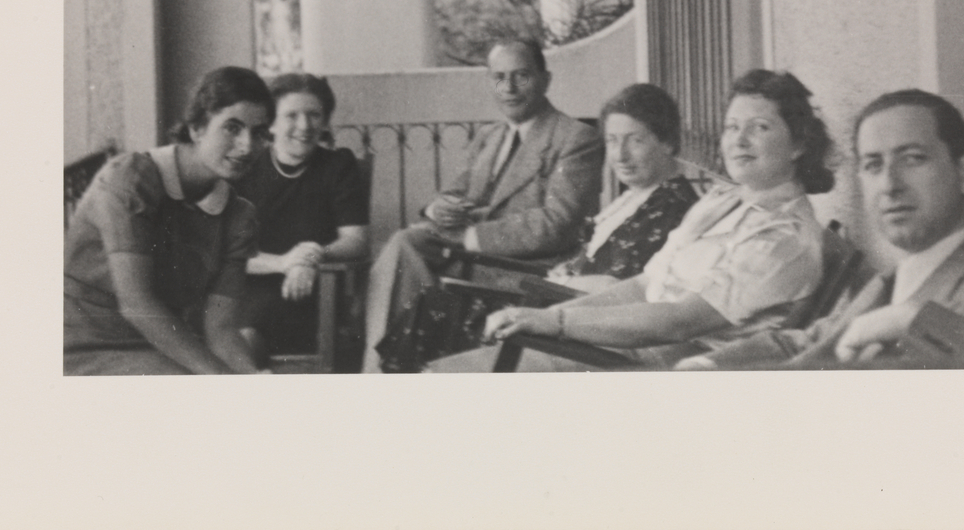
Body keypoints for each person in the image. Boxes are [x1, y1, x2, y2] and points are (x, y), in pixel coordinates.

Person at [430, 69, 834, 372]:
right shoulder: (725, 201)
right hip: (626, 343)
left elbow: (680, 321)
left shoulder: (784, 237)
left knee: (451, 380)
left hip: (655, 368)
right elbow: (644, 284)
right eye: (731, 127)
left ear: (798, 143)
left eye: (759, 127)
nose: (738, 140)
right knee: (450, 372)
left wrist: (555, 321)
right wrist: (547, 317)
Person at [676, 89, 964, 370]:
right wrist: (709, 365)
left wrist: (913, 321)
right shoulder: (892, 280)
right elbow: (808, 341)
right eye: (873, 165)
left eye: (913, 159)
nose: (890, 184)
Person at [374, 83, 698, 372]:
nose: (620, 155)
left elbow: (625, 291)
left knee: (437, 308)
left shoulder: (671, 209)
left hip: (572, 317)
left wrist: (557, 284)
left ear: (668, 142)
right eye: (612, 141)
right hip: (553, 299)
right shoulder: (637, 197)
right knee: (434, 303)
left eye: (635, 141)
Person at [361, 38, 604, 372]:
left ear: (545, 80)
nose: (509, 88)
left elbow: (557, 224)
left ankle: (383, 370)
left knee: (405, 259)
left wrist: (470, 237)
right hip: (470, 261)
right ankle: (391, 368)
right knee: (406, 245)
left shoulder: (575, 138)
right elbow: (454, 191)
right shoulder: (490, 137)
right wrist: (438, 208)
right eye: (499, 78)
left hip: (521, 270)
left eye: (521, 76)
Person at [63, 66, 274, 375]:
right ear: (197, 128)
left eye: (258, 133)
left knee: (251, 353)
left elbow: (221, 328)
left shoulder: (238, 216)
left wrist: (250, 379)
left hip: (159, 344)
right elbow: (137, 304)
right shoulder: (130, 179)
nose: (247, 146)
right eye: (232, 128)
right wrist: (223, 379)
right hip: (86, 345)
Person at [235, 74, 369, 361]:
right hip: (247, 285)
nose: (305, 126)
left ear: (325, 121)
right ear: (270, 123)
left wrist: (313, 254)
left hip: (311, 292)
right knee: (233, 332)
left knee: (242, 341)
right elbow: (226, 249)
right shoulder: (245, 169)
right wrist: (284, 263)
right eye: (291, 116)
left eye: (314, 115)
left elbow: (356, 241)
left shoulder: (338, 166)